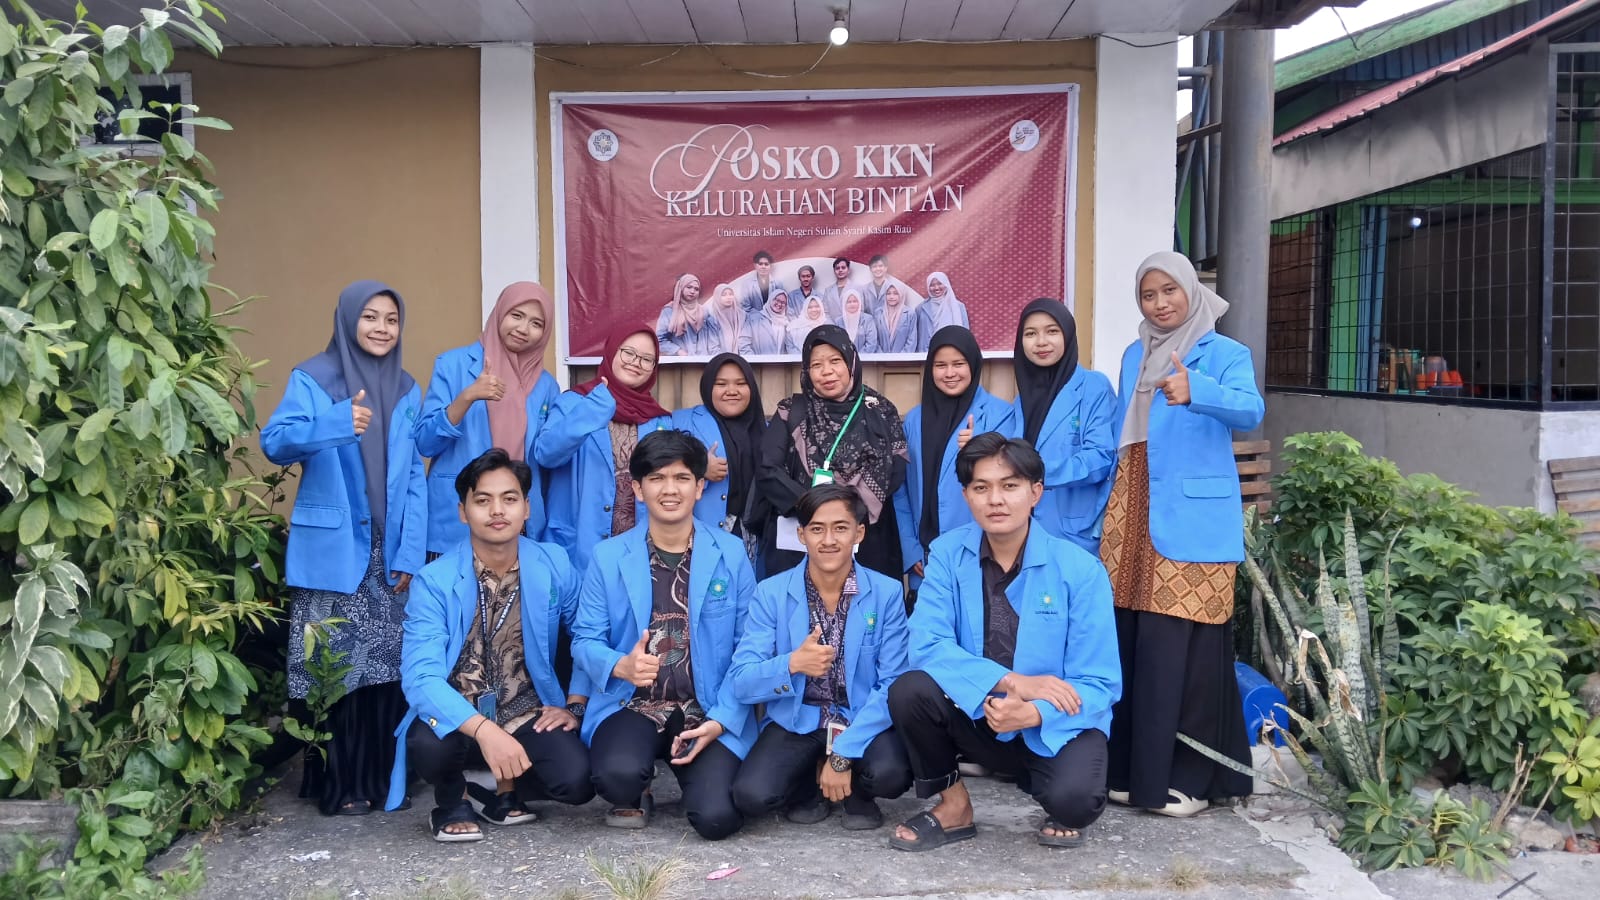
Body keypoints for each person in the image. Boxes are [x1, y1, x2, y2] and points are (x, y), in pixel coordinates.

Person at [887, 434, 1120, 851]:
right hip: (982, 715)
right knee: (911, 689)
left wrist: (1034, 711)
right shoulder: (947, 554)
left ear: (1036, 492)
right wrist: (1012, 682)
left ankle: (1050, 788)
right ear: (966, 495)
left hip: (1052, 724)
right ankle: (954, 806)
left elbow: (1100, 683)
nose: (995, 499)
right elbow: (926, 643)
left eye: (1009, 486)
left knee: (1075, 803)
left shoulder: (1080, 570)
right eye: (981, 487)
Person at [1102, 251, 1263, 818]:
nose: (1159, 303)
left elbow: (1251, 411)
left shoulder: (1225, 353)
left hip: (1191, 519)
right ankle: (1132, 772)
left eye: (1169, 290)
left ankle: (1192, 780)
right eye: (1148, 295)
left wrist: (1199, 391)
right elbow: (1124, 430)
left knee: (1184, 648)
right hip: (1131, 508)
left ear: (1191, 291)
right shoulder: (1133, 354)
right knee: (1133, 642)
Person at [260, 280, 427, 816]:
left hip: (388, 553)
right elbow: (275, 442)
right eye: (370, 317)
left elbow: (414, 477)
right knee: (334, 668)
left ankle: (383, 778)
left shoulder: (406, 387)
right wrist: (333, 423)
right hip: (334, 551)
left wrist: (410, 552)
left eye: (392, 320)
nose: (382, 328)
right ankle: (341, 783)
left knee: (386, 669)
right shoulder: (313, 378)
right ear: (348, 319)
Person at [387, 450, 594, 841]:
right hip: (458, 713)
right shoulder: (434, 580)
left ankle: (492, 787)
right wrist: (486, 731)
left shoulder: (553, 563)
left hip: (524, 708)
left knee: (577, 781)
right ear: (463, 512)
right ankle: (452, 798)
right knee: (428, 746)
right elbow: (420, 678)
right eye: (482, 500)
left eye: (509, 499)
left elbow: (586, 635)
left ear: (526, 508)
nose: (497, 510)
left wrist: (576, 705)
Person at [573, 430, 758, 840]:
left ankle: (692, 769)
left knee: (717, 818)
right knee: (617, 778)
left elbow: (750, 646)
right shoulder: (608, 557)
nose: (670, 489)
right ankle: (640, 778)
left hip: (707, 707)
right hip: (634, 704)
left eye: (681, 478)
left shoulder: (730, 553)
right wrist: (620, 665)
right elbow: (584, 640)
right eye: (656, 478)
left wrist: (723, 720)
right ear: (638, 489)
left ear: (700, 487)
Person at [729, 485, 913, 830]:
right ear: (801, 535)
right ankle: (807, 787)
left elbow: (892, 682)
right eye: (817, 529)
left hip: (860, 718)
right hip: (798, 720)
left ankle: (858, 791)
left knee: (892, 774)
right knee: (752, 795)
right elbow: (742, 680)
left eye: (840, 528)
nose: (828, 540)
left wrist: (843, 755)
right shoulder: (771, 593)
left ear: (859, 533)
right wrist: (792, 664)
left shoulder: (886, 593)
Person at [415, 282, 559, 556]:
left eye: (536, 323)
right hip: (458, 517)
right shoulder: (453, 365)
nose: (523, 328)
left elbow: (546, 456)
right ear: (499, 313)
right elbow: (425, 443)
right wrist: (467, 397)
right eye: (516, 315)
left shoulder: (546, 385)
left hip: (516, 522)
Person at [758, 326, 908, 582]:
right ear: (807, 370)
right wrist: (815, 508)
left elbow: (896, 468)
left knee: (865, 605)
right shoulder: (790, 411)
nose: (826, 371)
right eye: (816, 364)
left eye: (835, 361)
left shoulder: (880, 410)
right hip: (801, 540)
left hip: (867, 541)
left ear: (851, 362)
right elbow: (768, 469)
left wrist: (847, 511)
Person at [533, 327, 672, 572]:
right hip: (578, 551)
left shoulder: (658, 420)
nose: (636, 362)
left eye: (646, 359)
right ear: (611, 352)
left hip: (639, 554)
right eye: (628, 353)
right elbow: (546, 454)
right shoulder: (574, 402)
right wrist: (592, 410)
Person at [894, 326, 1017, 585]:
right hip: (925, 558)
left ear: (973, 364)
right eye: (940, 365)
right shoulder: (914, 419)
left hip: (980, 553)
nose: (950, 373)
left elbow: (1012, 476)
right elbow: (901, 488)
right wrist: (909, 548)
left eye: (958, 364)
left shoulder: (1000, 414)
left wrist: (983, 445)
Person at [1011, 299, 1117, 555]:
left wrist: (1037, 472)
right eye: (1030, 334)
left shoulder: (1093, 387)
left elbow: (1102, 457)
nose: (1041, 342)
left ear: (1068, 335)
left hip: (1075, 533)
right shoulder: (1021, 401)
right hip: (1023, 533)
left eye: (1052, 331)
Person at [671, 352, 768, 566]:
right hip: (700, 537)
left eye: (741, 383)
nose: (731, 391)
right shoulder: (682, 421)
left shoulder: (767, 429)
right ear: (708, 387)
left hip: (755, 539)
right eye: (721, 384)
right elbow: (659, 471)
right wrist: (699, 467)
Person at [657, 273, 719, 357]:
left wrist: (714, 358)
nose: (692, 291)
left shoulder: (704, 311)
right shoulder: (669, 310)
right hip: (680, 361)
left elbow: (713, 339)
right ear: (681, 288)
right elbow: (660, 340)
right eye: (689, 287)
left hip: (703, 360)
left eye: (696, 289)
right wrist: (678, 351)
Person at [911, 272, 970, 352]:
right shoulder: (921, 308)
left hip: (952, 350)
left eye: (939, 284)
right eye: (932, 285)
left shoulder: (958, 307)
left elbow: (965, 331)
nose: (936, 288)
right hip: (926, 352)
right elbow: (916, 334)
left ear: (946, 284)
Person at [739, 289, 798, 356]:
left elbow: (790, 346)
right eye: (777, 300)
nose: (779, 304)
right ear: (770, 299)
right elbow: (743, 343)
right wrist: (754, 360)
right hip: (759, 362)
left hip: (780, 362)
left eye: (783, 302)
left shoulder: (786, 322)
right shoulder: (754, 319)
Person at [876, 283, 918, 354]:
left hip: (903, 358)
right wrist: (882, 356)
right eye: (888, 293)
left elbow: (912, 340)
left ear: (901, 294)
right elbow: (874, 338)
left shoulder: (910, 314)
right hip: (881, 358)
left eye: (895, 293)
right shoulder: (878, 313)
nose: (891, 297)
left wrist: (900, 357)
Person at [705, 282, 745, 356]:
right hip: (722, 359)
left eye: (731, 294)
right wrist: (725, 360)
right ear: (717, 297)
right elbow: (713, 347)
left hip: (743, 357)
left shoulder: (743, 316)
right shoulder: (713, 320)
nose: (728, 297)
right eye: (724, 295)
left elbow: (747, 341)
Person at [838, 287, 881, 354]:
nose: (852, 304)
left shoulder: (868, 319)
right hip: (846, 358)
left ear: (859, 303)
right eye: (849, 302)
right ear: (844, 304)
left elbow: (871, 343)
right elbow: (838, 343)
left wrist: (858, 357)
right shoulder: (839, 321)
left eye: (855, 301)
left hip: (865, 358)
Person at [738, 249, 779, 315]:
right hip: (755, 318)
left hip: (774, 317)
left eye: (766, 264)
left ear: (770, 266)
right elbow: (745, 307)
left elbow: (782, 302)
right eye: (760, 264)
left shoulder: (777, 283)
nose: (763, 267)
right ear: (755, 265)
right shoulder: (747, 284)